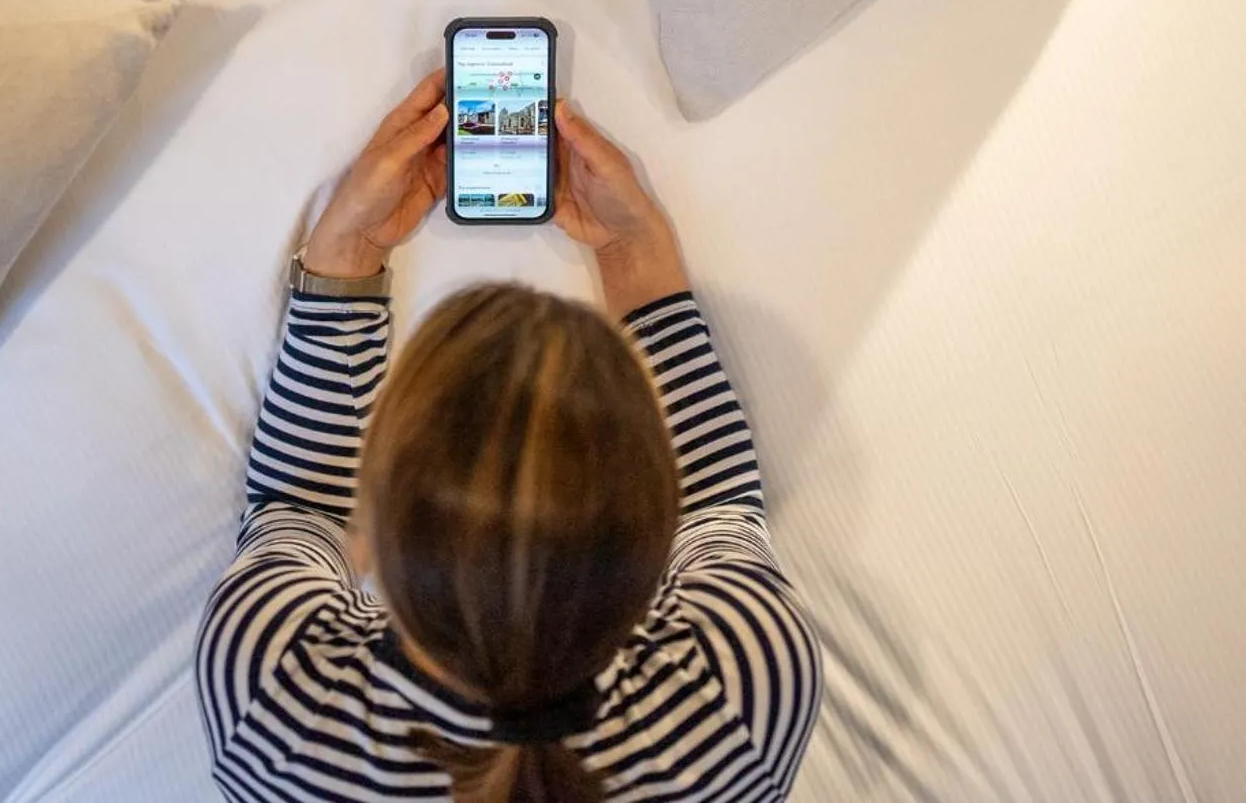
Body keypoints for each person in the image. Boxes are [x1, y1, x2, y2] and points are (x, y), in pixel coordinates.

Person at [198, 70, 821, 803]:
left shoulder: (274, 704)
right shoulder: (743, 693)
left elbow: (296, 512)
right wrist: (633, 249)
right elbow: (718, 511)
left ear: (374, 538)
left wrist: (346, 248)